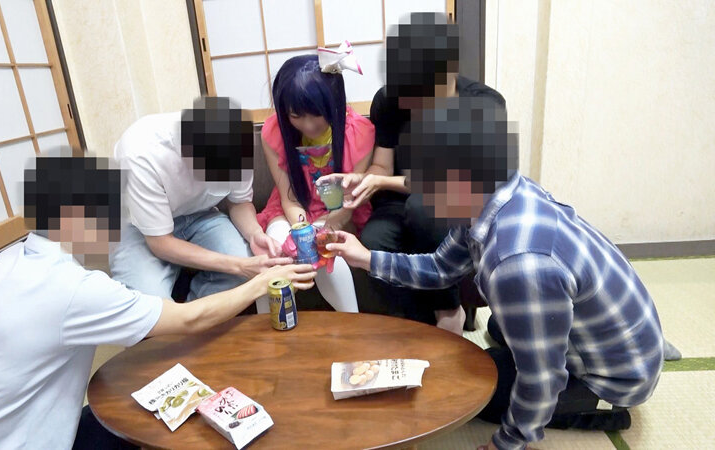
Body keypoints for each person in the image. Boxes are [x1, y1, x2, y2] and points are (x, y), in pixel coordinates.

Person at [0, 153, 316, 449]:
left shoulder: (8, 259)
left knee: (126, 408)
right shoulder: (72, 289)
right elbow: (187, 319)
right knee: (145, 427)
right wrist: (261, 281)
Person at [327, 97, 663, 450]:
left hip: (614, 378)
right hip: (618, 337)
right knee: (500, 329)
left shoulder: (516, 264)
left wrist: (508, 443)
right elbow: (441, 268)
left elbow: (542, 378)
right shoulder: (497, 192)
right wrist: (365, 258)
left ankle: (603, 410)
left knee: (479, 392)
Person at [318, 12, 505, 334]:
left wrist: (382, 181)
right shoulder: (389, 100)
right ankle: (417, 323)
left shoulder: (484, 104)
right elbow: (382, 165)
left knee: (423, 208)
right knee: (373, 240)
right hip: (396, 201)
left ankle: (449, 309)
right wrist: (363, 179)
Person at [110, 97, 290, 307]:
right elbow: (160, 243)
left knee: (244, 270)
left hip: (201, 215)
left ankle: (191, 315)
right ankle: (178, 319)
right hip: (139, 228)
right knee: (147, 305)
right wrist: (240, 265)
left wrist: (254, 233)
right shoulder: (141, 154)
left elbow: (239, 202)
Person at [255, 54, 375, 313]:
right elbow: (288, 198)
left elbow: (349, 202)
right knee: (274, 256)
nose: (308, 125)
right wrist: (302, 232)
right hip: (291, 209)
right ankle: (266, 332)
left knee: (326, 252)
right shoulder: (274, 132)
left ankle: (352, 325)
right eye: (296, 115)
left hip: (338, 212)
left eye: (316, 114)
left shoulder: (360, 132)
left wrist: (320, 231)